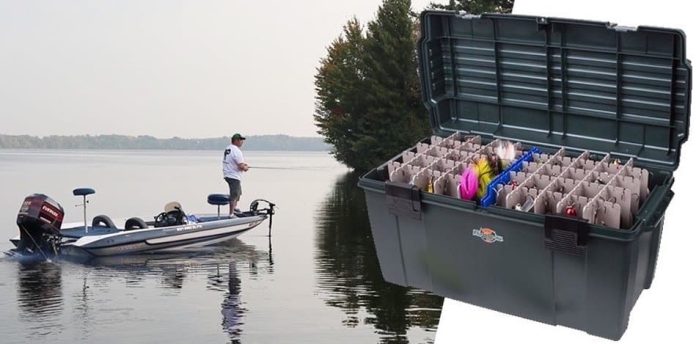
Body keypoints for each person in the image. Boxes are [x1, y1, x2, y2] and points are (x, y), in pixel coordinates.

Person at [222, 133, 249, 216]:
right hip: (233, 176)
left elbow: (234, 162)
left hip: (228, 174)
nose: (242, 142)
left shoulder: (228, 148)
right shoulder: (236, 151)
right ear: (236, 141)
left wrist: (243, 165)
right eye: (241, 140)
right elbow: (241, 166)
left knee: (238, 192)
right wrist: (245, 168)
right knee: (234, 194)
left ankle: (235, 208)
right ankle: (231, 214)